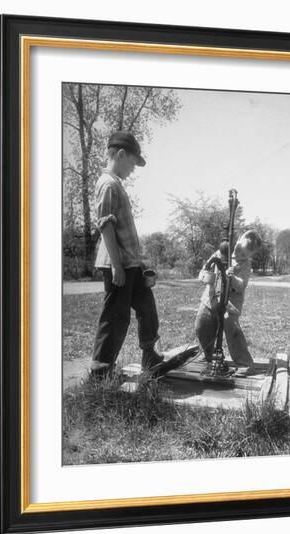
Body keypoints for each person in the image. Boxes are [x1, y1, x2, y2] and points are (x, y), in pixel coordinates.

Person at [90, 131, 163, 378]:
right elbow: (106, 226)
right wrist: (117, 267)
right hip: (117, 264)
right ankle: (100, 373)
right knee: (115, 318)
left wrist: (137, 261)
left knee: (147, 307)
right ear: (121, 155)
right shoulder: (107, 184)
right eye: (133, 162)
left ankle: (149, 355)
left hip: (130, 263)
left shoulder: (116, 184)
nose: (133, 169)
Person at [195, 230, 262, 372]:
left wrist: (231, 278)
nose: (238, 254)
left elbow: (241, 285)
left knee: (233, 332)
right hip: (210, 298)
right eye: (238, 248)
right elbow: (205, 269)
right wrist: (203, 275)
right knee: (202, 325)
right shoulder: (221, 252)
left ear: (250, 255)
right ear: (236, 241)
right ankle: (208, 356)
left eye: (243, 254)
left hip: (230, 305)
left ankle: (244, 364)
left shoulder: (245, 265)